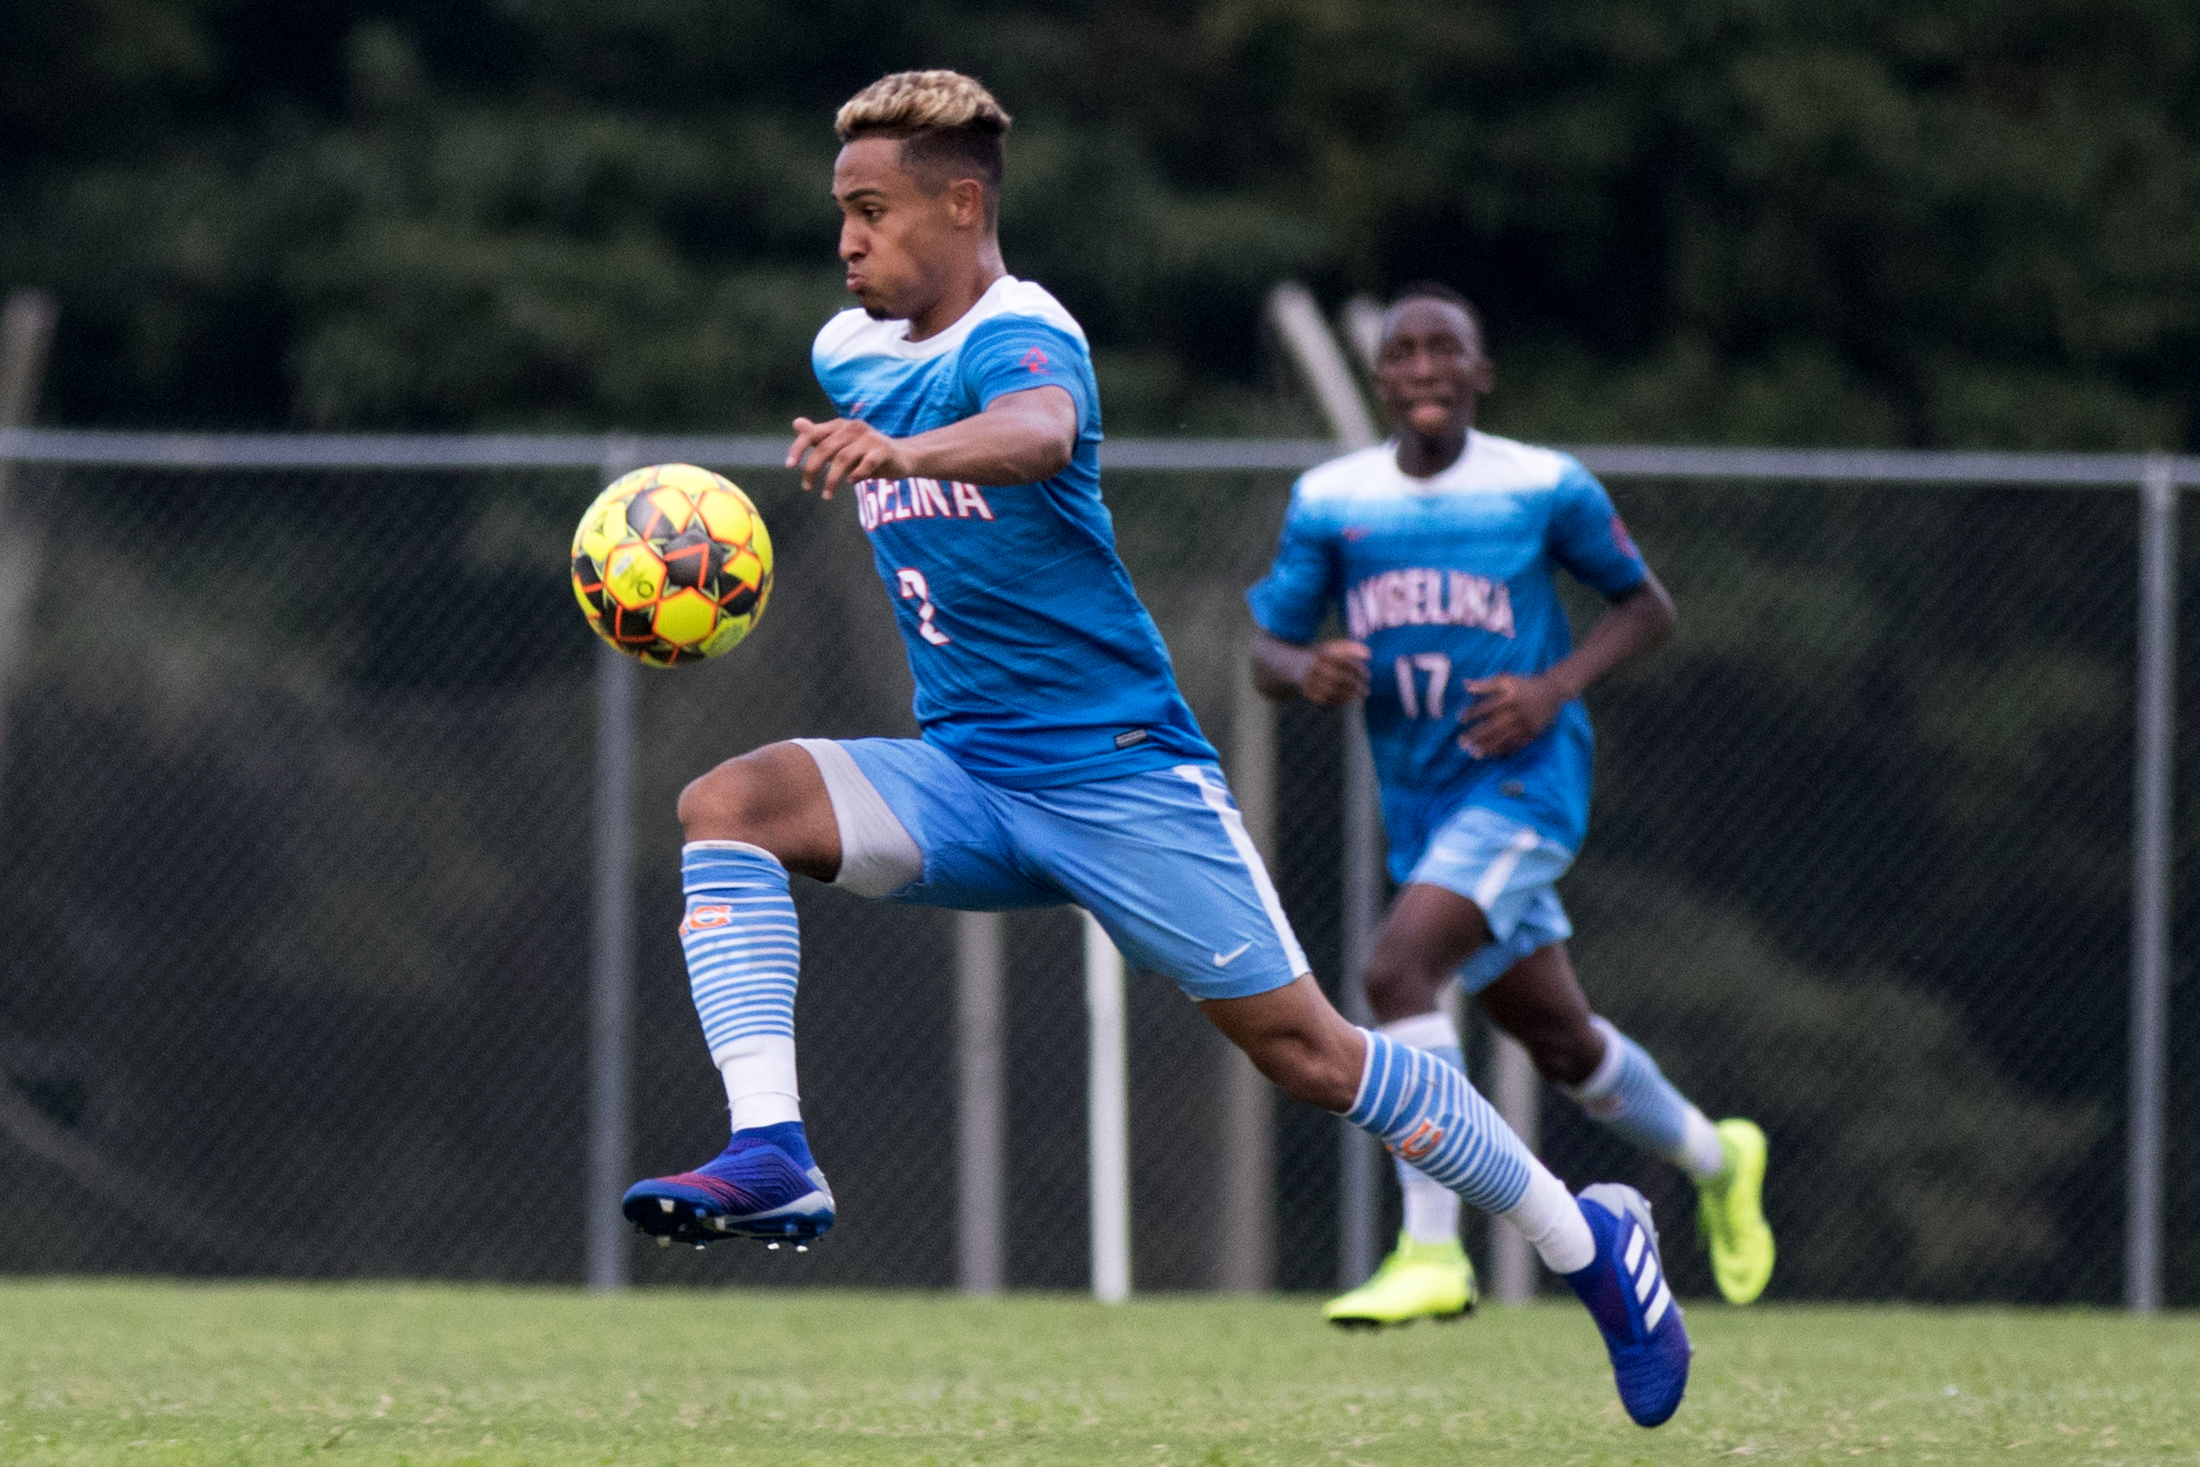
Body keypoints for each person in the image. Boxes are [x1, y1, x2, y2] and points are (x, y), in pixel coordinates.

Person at [620, 71, 1690, 1427]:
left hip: (1123, 777)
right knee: (729, 800)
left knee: (1310, 1052)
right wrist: (886, 441)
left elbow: (1038, 430)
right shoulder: (849, 349)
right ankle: (773, 1147)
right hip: (968, 772)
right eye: (840, 214)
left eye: (873, 212)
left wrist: (899, 452)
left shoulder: (1028, 332)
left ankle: (1592, 1243)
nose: (848, 242)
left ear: (963, 205)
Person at [1246, 284, 1775, 1329]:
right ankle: (1721, 1158)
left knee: (1396, 969)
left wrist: (1552, 687)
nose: (1426, 366)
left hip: (1524, 786)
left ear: (1480, 374)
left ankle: (1432, 1249)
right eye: (1405, 352)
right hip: (1422, 800)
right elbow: (1266, 650)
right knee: (1563, 1045)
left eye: (1449, 349)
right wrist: (1305, 668)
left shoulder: (1541, 486)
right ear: (1380, 378)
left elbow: (1644, 607)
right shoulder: (1331, 499)